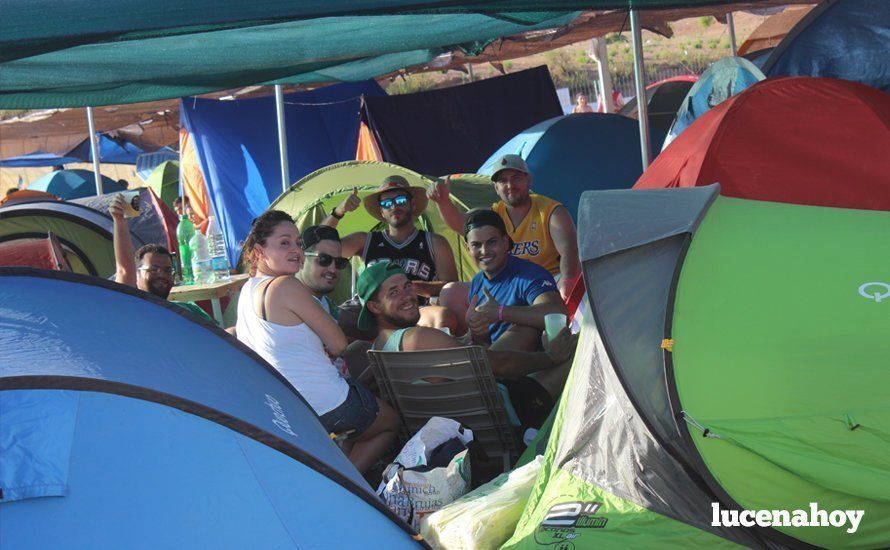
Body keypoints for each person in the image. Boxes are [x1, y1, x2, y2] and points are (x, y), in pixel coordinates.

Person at [236, 210, 398, 474]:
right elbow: (338, 344)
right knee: (389, 421)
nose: (296, 250)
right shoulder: (286, 286)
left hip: (284, 404)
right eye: (284, 243)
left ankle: (343, 474)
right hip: (324, 401)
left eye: (298, 243)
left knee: (356, 420)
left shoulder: (247, 290)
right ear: (258, 251)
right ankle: (349, 484)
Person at [356, 262, 578, 423]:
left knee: (526, 327)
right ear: (375, 307)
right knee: (581, 346)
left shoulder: (379, 349)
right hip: (503, 414)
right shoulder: (417, 338)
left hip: (461, 419)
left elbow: (477, 363)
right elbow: (497, 365)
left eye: (407, 286)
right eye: (393, 293)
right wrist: (550, 357)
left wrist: (479, 336)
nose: (407, 296)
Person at [428, 154, 580, 299]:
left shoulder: (551, 211)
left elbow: (569, 251)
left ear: (528, 180)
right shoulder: (494, 214)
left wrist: (567, 281)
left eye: (516, 178)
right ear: (495, 187)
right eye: (503, 181)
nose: (510, 185)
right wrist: (443, 202)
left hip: (546, 282)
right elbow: (461, 224)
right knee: (451, 293)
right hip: (505, 284)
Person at [324, 175, 459, 330]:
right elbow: (320, 246)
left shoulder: (434, 242)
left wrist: (410, 288)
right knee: (326, 320)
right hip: (371, 313)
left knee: (444, 318)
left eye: (400, 200)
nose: (394, 206)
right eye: (387, 203)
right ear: (382, 212)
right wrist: (338, 212)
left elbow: (452, 288)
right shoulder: (365, 240)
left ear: (412, 204)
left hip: (415, 311)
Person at [462, 209, 568, 350]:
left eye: (492, 242)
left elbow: (558, 314)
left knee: (526, 329)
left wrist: (500, 312)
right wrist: (478, 331)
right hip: (496, 362)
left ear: (505, 242)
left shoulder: (529, 275)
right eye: (476, 245)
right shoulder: (477, 282)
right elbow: (486, 342)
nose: (484, 251)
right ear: (468, 249)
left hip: (532, 366)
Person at [109, 193, 213, 323]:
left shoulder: (187, 308)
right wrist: (119, 221)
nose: (162, 275)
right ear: (137, 274)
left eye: (167, 270)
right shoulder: (136, 307)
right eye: (154, 269)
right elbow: (124, 271)